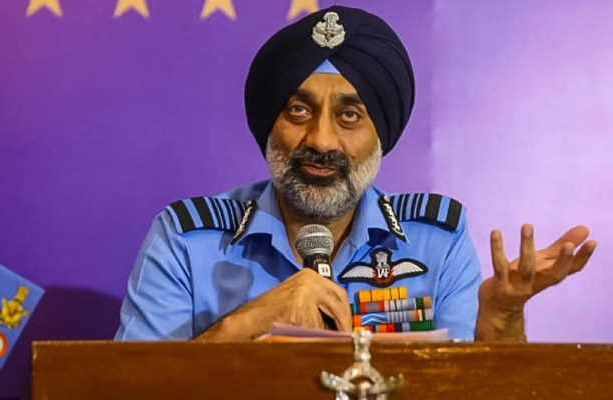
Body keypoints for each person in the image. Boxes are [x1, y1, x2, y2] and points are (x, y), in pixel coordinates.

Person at [115, 6, 596, 342]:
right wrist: (245, 324)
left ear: (380, 134)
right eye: (299, 110)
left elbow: (478, 390)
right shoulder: (187, 240)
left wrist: (503, 318)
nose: (322, 141)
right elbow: (128, 389)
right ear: (269, 124)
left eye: (349, 116)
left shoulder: (436, 239)